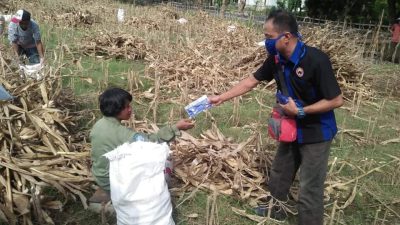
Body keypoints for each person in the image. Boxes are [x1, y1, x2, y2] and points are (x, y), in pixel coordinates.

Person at [208, 10, 343, 225]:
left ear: (286, 37)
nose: (265, 41)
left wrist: (301, 111)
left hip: (317, 131)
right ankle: (276, 208)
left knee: (310, 187)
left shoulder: (316, 60)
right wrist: (221, 98)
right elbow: (251, 81)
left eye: (269, 37)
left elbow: (336, 100)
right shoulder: (276, 59)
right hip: (290, 126)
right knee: (280, 171)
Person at [89, 87, 194, 204]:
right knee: (161, 166)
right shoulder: (122, 134)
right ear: (116, 109)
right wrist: (176, 128)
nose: (130, 109)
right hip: (112, 182)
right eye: (127, 107)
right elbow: (152, 143)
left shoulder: (99, 125)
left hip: (100, 176)